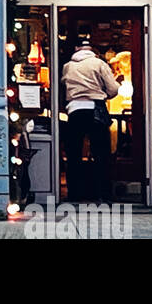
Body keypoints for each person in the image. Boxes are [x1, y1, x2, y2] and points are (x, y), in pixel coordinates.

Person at [61, 41, 122, 202]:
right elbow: (113, 89)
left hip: (74, 110)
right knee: (101, 154)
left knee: (74, 154)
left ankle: (74, 193)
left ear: (76, 49)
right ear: (93, 51)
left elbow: (63, 87)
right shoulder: (99, 63)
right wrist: (104, 93)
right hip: (96, 110)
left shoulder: (68, 66)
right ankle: (103, 194)